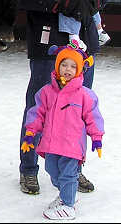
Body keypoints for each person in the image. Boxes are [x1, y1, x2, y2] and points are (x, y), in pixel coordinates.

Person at [12, 0, 111, 195]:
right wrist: (67, 0)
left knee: (79, 110)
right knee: (38, 107)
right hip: (47, 43)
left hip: (82, 43)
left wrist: (95, 1)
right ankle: (29, 168)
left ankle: (74, 167)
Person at [21, 40, 105, 220]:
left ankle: (68, 205)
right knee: (52, 171)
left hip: (72, 146)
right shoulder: (46, 92)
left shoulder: (84, 95)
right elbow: (37, 113)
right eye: (64, 64)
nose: (67, 69)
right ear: (57, 67)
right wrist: (30, 133)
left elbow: (93, 117)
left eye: (73, 66)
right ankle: (68, 193)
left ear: (80, 70)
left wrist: (96, 137)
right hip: (51, 144)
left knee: (68, 175)